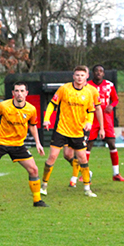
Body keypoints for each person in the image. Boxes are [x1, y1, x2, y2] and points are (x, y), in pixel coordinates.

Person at [40, 65, 105, 197]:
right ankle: (44, 186)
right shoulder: (64, 89)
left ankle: (87, 189)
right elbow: (52, 104)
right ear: (73, 76)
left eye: (82, 75)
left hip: (78, 131)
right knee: (53, 156)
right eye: (77, 75)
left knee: (82, 157)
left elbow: (91, 110)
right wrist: (47, 119)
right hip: (61, 129)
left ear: (86, 77)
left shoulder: (89, 92)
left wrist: (89, 122)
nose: (79, 78)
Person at [71, 65, 124, 183]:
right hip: (91, 119)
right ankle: (84, 173)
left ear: (103, 74)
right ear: (92, 73)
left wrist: (111, 106)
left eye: (101, 71)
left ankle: (116, 174)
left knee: (112, 144)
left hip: (106, 120)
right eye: (96, 71)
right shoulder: (86, 85)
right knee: (88, 146)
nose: (98, 73)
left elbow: (115, 99)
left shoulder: (109, 85)